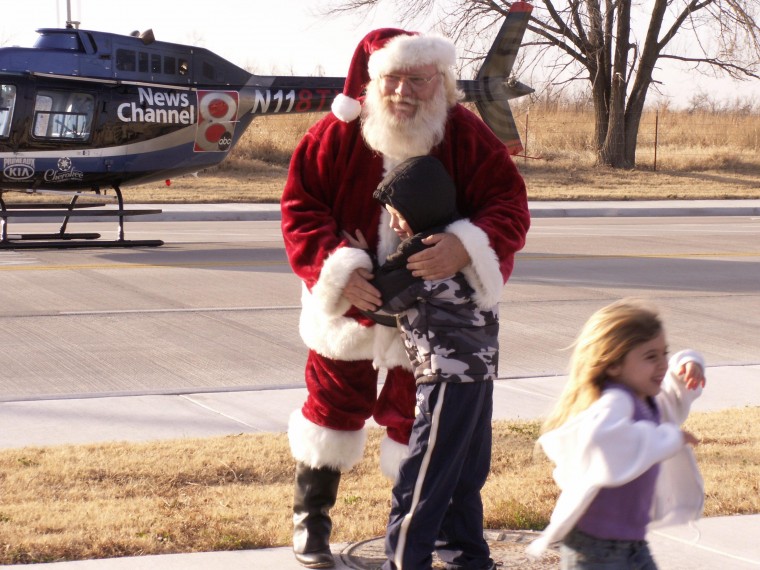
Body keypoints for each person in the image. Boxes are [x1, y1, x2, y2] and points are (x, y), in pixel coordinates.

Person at [280, 26, 531, 569]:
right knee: (330, 405)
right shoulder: (334, 135)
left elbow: (508, 204)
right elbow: (300, 209)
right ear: (372, 82)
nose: (403, 92)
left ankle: (423, 527)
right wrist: (336, 269)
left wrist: (464, 248)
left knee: (414, 420)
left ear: (442, 82)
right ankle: (311, 518)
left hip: (431, 316)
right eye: (392, 79)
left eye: (418, 80)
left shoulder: (466, 135)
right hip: (349, 308)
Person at [347, 154, 501, 570]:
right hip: (480, 378)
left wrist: (360, 262)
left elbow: (381, 299)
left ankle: (403, 561)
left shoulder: (423, 254)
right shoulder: (465, 246)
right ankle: (468, 558)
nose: (395, 225)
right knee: (462, 475)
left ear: (420, 209)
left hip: (445, 380)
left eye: (398, 215)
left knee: (423, 476)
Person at [526, 299, 707, 569]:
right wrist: (668, 439)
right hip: (595, 549)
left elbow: (672, 398)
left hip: (632, 544)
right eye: (651, 357)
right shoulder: (615, 401)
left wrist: (688, 364)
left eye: (664, 354)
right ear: (613, 365)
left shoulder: (646, 400)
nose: (663, 365)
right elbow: (603, 441)